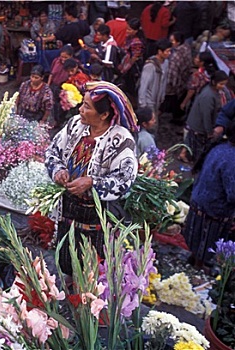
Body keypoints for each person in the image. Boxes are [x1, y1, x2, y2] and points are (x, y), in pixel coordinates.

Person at [45, 81, 138, 275]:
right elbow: (53, 151)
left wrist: (92, 182)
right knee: (65, 261)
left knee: (90, 269)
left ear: (104, 115)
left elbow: (124, 179)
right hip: (67, 213)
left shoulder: (121, 140)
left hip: (98, 220)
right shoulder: (75, 126)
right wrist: (59, 170)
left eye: (87, 106)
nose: (80, 109)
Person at [183, 119, 235, 270]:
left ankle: (195, 262)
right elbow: (232, 195)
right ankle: (199, 269)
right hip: (213, 209)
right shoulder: (232, 158)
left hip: (200, 201)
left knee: (198, 242)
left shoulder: (220, 147)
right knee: (205, 245)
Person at [185, 71, 230, 163]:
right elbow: (206, 116)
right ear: (214, 82)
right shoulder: (208, 96)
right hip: (200, 127)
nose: (223, 86)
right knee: (199, 151)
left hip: (201, 125)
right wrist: (209, 132)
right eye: (221, 84)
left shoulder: (216, 91)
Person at [162, 31, 192, 124]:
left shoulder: (175, 57)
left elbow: (172, 74)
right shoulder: (187, 48)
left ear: (178, 42)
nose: (170, 42)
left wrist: (170, 85)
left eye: (172, 41)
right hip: (184, 80)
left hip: (175, 85)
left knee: (170, 101)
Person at [138, 38, 172, 116]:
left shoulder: (166, 63)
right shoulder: (150, 66)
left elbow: (164, 80)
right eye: (167, 51)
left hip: (157, 99)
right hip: (148, 101)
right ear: (160, 52)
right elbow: (143, 86)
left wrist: (162, 96)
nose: (169, 53)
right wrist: (142, 104)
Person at [117, 18, 146, 98]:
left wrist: (124, 69)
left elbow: (134, 58)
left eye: (129, 30)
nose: (127, 31)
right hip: (127, 65)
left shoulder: (137, 42)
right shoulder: (130, 38)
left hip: (132, 70)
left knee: (130, 89)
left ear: (136, 31)